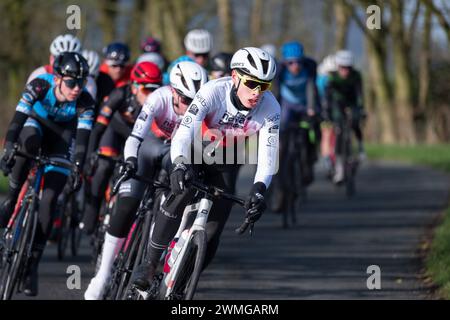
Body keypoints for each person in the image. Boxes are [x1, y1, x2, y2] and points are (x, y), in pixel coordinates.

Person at [130, 47, 280, 291]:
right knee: (182, 192)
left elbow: (268, 155)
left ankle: (180, 285)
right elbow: (183, 133)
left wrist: (260, 189)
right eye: (252, 83)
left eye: (264, 86)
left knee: (212, 232)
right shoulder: (212, 92)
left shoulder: (271, 108)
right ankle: (149, 264)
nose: (257, 92)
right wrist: (178, 163)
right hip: (195, 149)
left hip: (227, 157)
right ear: (235, 77)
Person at [84, 61, 208, 300]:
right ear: (173, 91)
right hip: (148, 147)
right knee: (127, 204)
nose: (186, 106)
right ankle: (103, 273)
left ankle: (153, 262)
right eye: (183, 99)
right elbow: (134, 137)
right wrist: (129, 161)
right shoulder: (158, 98)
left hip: (174, 153)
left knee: (178, 195)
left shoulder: (201, 105)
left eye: (193, 101)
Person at [0, 52, 95, 296]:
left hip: (61, 141)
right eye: (71, 82)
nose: (76, 89)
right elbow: (18, 119)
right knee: (27, 145)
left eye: (81, 83)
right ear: (57, 79)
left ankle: (30, 265)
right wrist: (9, 147)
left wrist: (77, 167)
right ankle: (11, 198)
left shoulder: (84, 101)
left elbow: (82, 141)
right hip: (35, 126)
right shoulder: (39, 85)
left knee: (51, 199)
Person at [80, 62, 163, 236]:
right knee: (104, 167)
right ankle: (92, 209)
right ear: (134, 87)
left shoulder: (159, 101)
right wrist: (89, 156)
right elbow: (98, 128)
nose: (151, 94)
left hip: (139, 138)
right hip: (115, 133)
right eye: (146, 89)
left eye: (155, 89)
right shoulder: (118, 94)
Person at [325, 50, 366, 184]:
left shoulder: (356, 76)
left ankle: (360, 147)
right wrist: (327, 112)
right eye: (342, 67)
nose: (345, 71)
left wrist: (361, 109)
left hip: (352, 103)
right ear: (338, 67)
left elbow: (360, 94)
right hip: (338, 105)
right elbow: (328, 98)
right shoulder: (332, 78)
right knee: (338, 131)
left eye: (348, 68)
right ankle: (339, 170)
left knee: (355, 122)